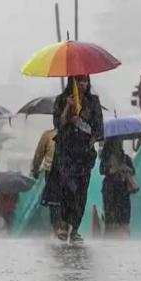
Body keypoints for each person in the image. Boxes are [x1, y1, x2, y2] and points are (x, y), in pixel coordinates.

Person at [42, 75, 104, 243]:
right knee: (66, 190)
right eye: (79, 81)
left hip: (84, 155)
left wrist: (89, 138)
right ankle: (62, 225)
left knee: (80, 194)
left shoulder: (93, 102)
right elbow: (58, 124)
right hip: (66, 154)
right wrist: (68, 110)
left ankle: (74, 228)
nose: (83, 84)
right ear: (72, 82)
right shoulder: (62, 100)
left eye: (85, 81)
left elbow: (98, 130)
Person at [100, 140, 136, 237]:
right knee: (111, 219)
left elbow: (133, 171)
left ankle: (124, 236)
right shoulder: (106, 158)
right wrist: (113, 169)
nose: (120, 143)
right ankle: (110, 237)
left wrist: (126, 168)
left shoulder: (125, 158)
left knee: (123, 219)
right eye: (117, 142)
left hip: (122, 190)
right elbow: (102, 170)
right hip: (110, 190)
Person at [31, 128, 60, 234]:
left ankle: (57, 228)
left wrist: (35, 169)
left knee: (55, 204)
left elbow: (39, 154)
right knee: (59, 204)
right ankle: (59, 229)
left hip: (54, 174)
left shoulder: (48, 135)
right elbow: (39, 154)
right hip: (61, 174)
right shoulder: (72, 133)